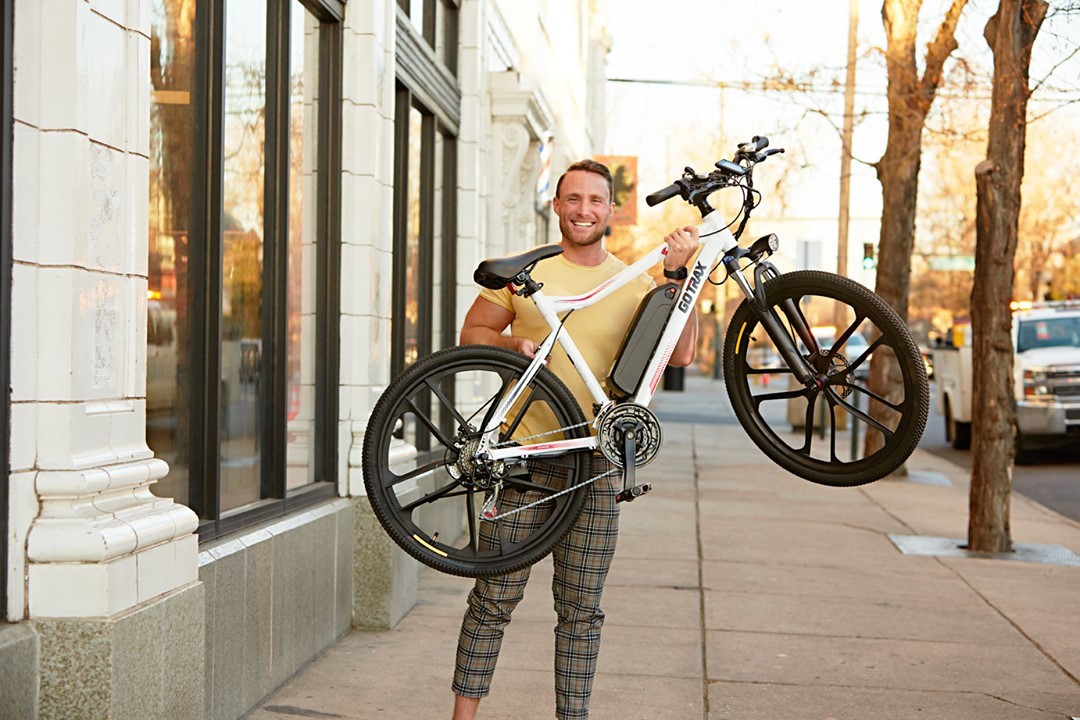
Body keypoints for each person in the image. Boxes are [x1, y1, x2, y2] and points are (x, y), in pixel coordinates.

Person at [451, 159, 699, 720]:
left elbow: (681, 354)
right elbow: (472, 332)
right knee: (493, 598)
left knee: (581, 611)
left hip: (595, 466)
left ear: (610, 210)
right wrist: (511, 347)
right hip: (522, 459)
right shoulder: (527, 273)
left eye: (595, 200)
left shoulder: (634, 280)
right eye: (573, 198)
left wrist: (681, 277)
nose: (583, 209)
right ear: (557, 206)